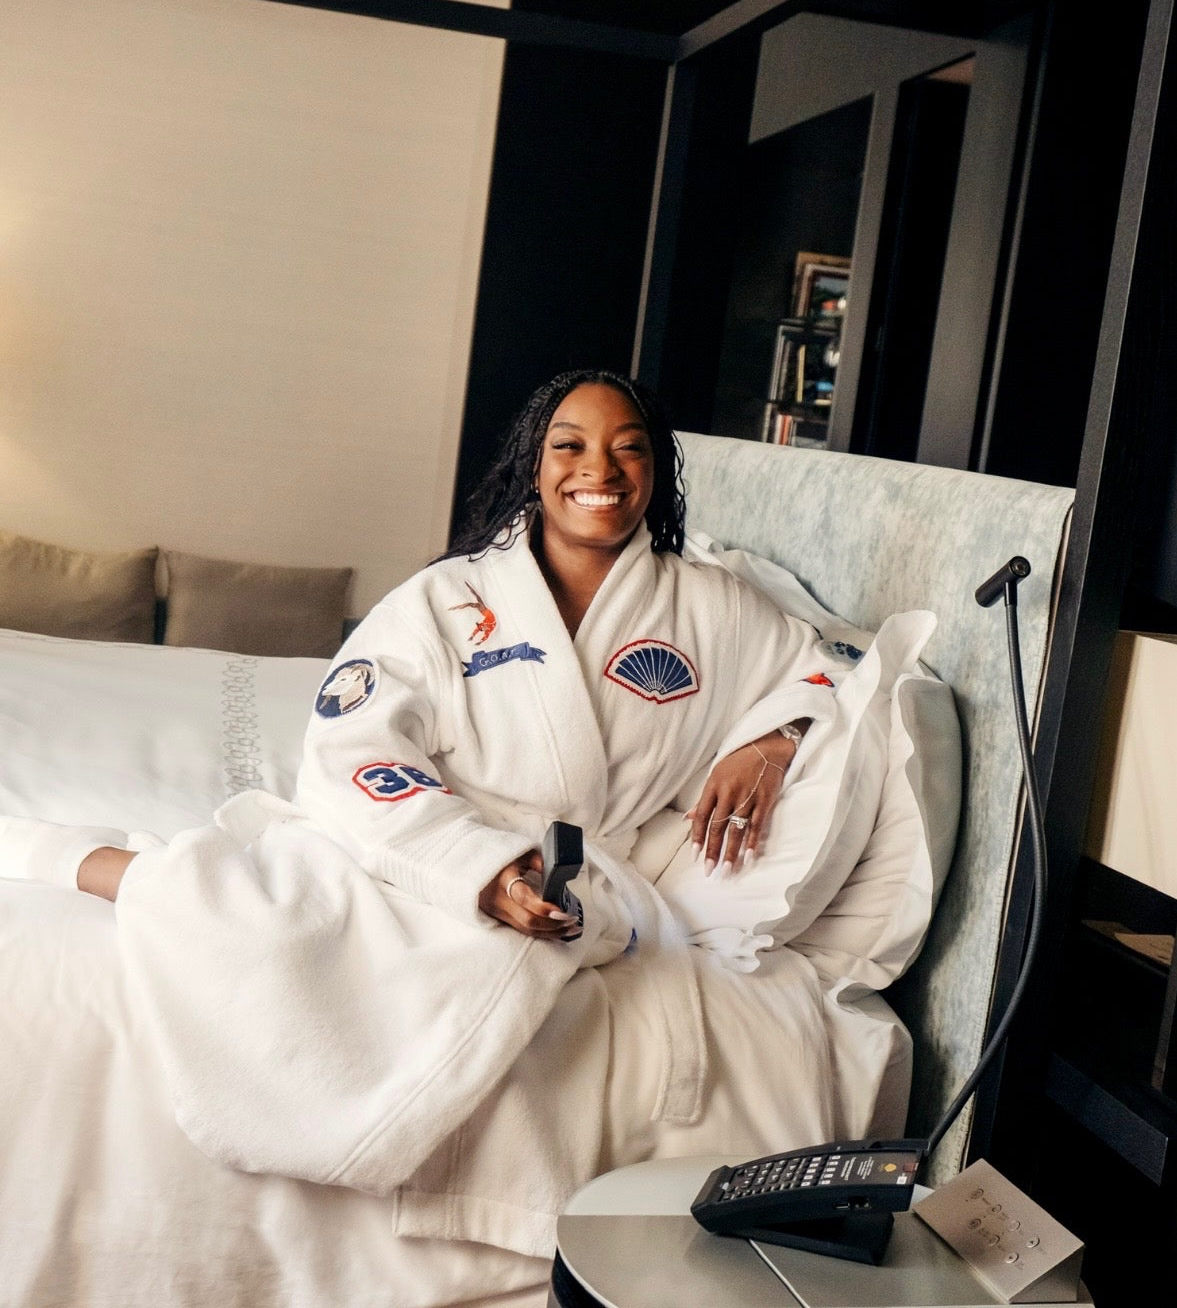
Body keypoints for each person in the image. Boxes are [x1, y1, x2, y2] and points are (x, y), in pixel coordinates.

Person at [21, 368, 818, 934]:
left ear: (656, 470)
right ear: (533, 470)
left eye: (628, 447)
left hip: (574, 891)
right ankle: (82, 859)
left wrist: (775, 739)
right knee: (270, 922)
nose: (598, 470)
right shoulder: (446, 600)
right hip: (436, 852)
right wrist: (480, 870)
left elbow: (829, 669)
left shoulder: (711, 604)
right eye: (569, 446)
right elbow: (352, 744)